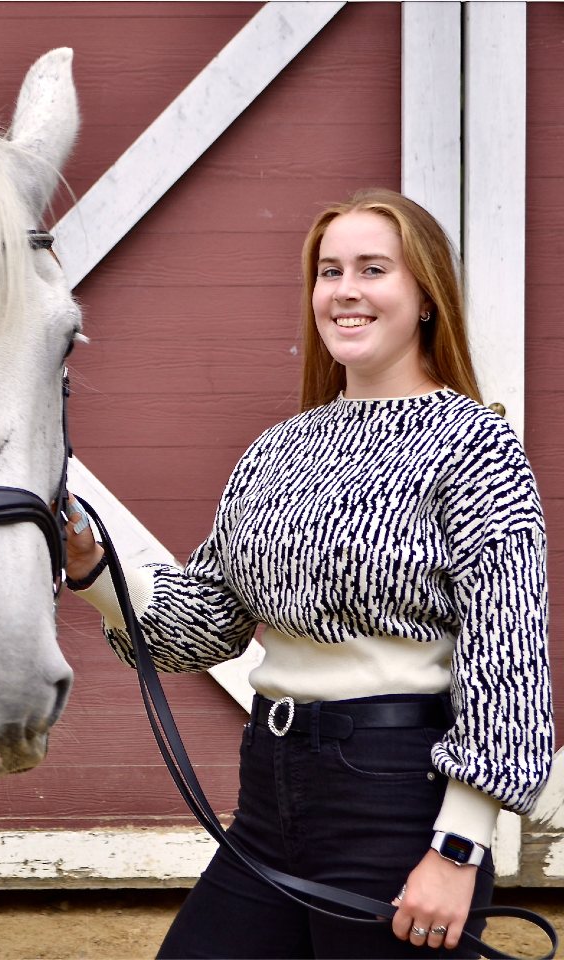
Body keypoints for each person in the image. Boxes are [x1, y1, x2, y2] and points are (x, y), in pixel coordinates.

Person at [63, 188, 553, 959]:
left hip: (399, 801)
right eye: (329, 272)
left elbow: (510, 661)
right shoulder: (277, 448)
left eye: (373, 269)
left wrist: (458, 849)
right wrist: (93, 566)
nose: (345, 291)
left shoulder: (475, 445)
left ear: (426, 296)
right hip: (269, 797)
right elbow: (204, 624)